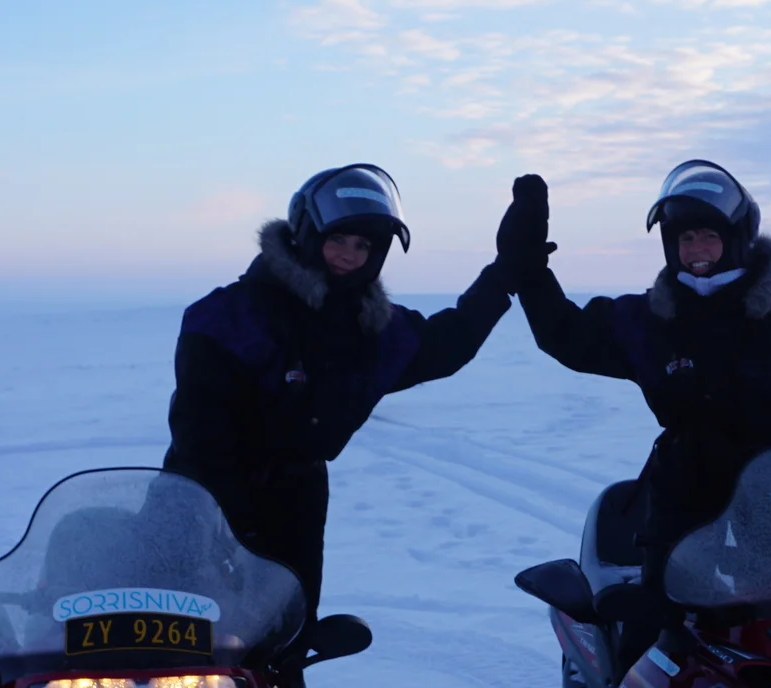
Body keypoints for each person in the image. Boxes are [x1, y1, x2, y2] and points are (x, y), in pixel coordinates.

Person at [498, 161, 771, 655]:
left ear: (737, 239)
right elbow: (566, 335)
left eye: (708, 236)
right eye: (684, 238)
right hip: (684, 492)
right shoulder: (649, 320)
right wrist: (530, 267)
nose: (695, 249)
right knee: (658, 630)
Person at [163, 164, 513, 614]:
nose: (350, 255)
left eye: (363, 245)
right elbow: (200, 434)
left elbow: (446, 344)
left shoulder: (366, 328)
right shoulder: (230, 317)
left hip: (295, 505)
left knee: (285, 633)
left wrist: (504, 274)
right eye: (338, 239)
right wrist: (233, 526)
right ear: (307, 235)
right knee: (184, 633)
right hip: (202, 502)